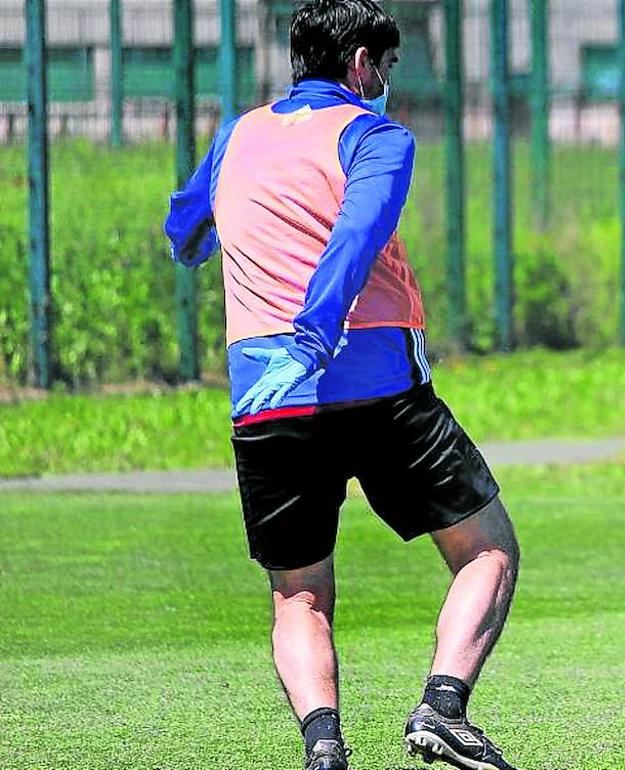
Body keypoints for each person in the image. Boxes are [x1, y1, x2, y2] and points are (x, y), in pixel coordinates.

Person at [163, 1, 520, 768]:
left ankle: (324, 749)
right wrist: (317, 331)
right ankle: (444, 708)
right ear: (362, 62)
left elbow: (185, 235)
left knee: (299, 593)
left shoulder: (237, 134)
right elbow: (357, 233)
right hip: (377, 384)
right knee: (486, 549)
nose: (386, 82)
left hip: (266, 396)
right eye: (386, 68)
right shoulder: (376, 135)